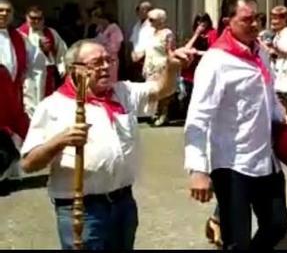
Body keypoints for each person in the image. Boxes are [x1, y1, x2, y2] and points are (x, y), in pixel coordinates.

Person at [19, 39, 193, 249]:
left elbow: (161, 90)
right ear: (76, 69)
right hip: (83, 209)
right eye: (96, 63)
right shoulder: (53, 106)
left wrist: (173, 67)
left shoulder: (121, 92)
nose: (105, 67)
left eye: (108, 61)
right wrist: (60, 141)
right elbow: (29, 163)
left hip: (123, 203)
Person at [184, 0, 287, 251]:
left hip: (266, 160)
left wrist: (280, 115)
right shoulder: (216, 62)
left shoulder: (260, 53)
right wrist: (198, 168)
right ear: (226, 21)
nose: (255, 24)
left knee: (277, 224)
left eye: (258, 18)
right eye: (247, 19)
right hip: (232, 164)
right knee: (236, 241)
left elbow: (268, 92)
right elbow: (198, 116)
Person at [0, 0, 45, 196]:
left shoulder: (19, 38)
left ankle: (8, 177)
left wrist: (29, 88)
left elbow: (36, 62)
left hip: (12, 96)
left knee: (12, 136)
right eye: (0, 10)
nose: (3, 14)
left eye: (7, 11)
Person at [19, 6, 68, 102]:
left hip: (48, 75)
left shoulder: (51, 33)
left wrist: (63, 69)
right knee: (29, 104)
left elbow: (61, 52)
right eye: (33, 18)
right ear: (26, 17)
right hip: (28, 76)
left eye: (39, 18)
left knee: (47, 103)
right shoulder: (19, 34)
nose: (36, 21)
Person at [142, 9, 175, 127]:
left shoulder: (167, 33)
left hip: (161, 65)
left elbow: (170, 50)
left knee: (163, 91)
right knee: (152, 90)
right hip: (150, 65)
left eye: (152, 20)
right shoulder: (150, 33)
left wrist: (171, 67)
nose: (149, 22)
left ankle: (163, 115)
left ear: (160, 20)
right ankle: (154, 112)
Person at [93, 11, 124, 84]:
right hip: (100, 60)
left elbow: (115, 47)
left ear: (105, 19)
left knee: (111, 81)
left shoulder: (114, 28)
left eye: (99, 20)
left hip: (111, 59)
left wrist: (103, 46)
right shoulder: (99, 29)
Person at [129, 0, 154, 81]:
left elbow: (152, 42)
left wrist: (142, 54)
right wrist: (133, 53)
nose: (140, 12)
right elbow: (134, 41)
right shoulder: (136, 26)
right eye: (139, 10)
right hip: (136, 58)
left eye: (143, 9)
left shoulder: (153, 25)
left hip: (147, 58)